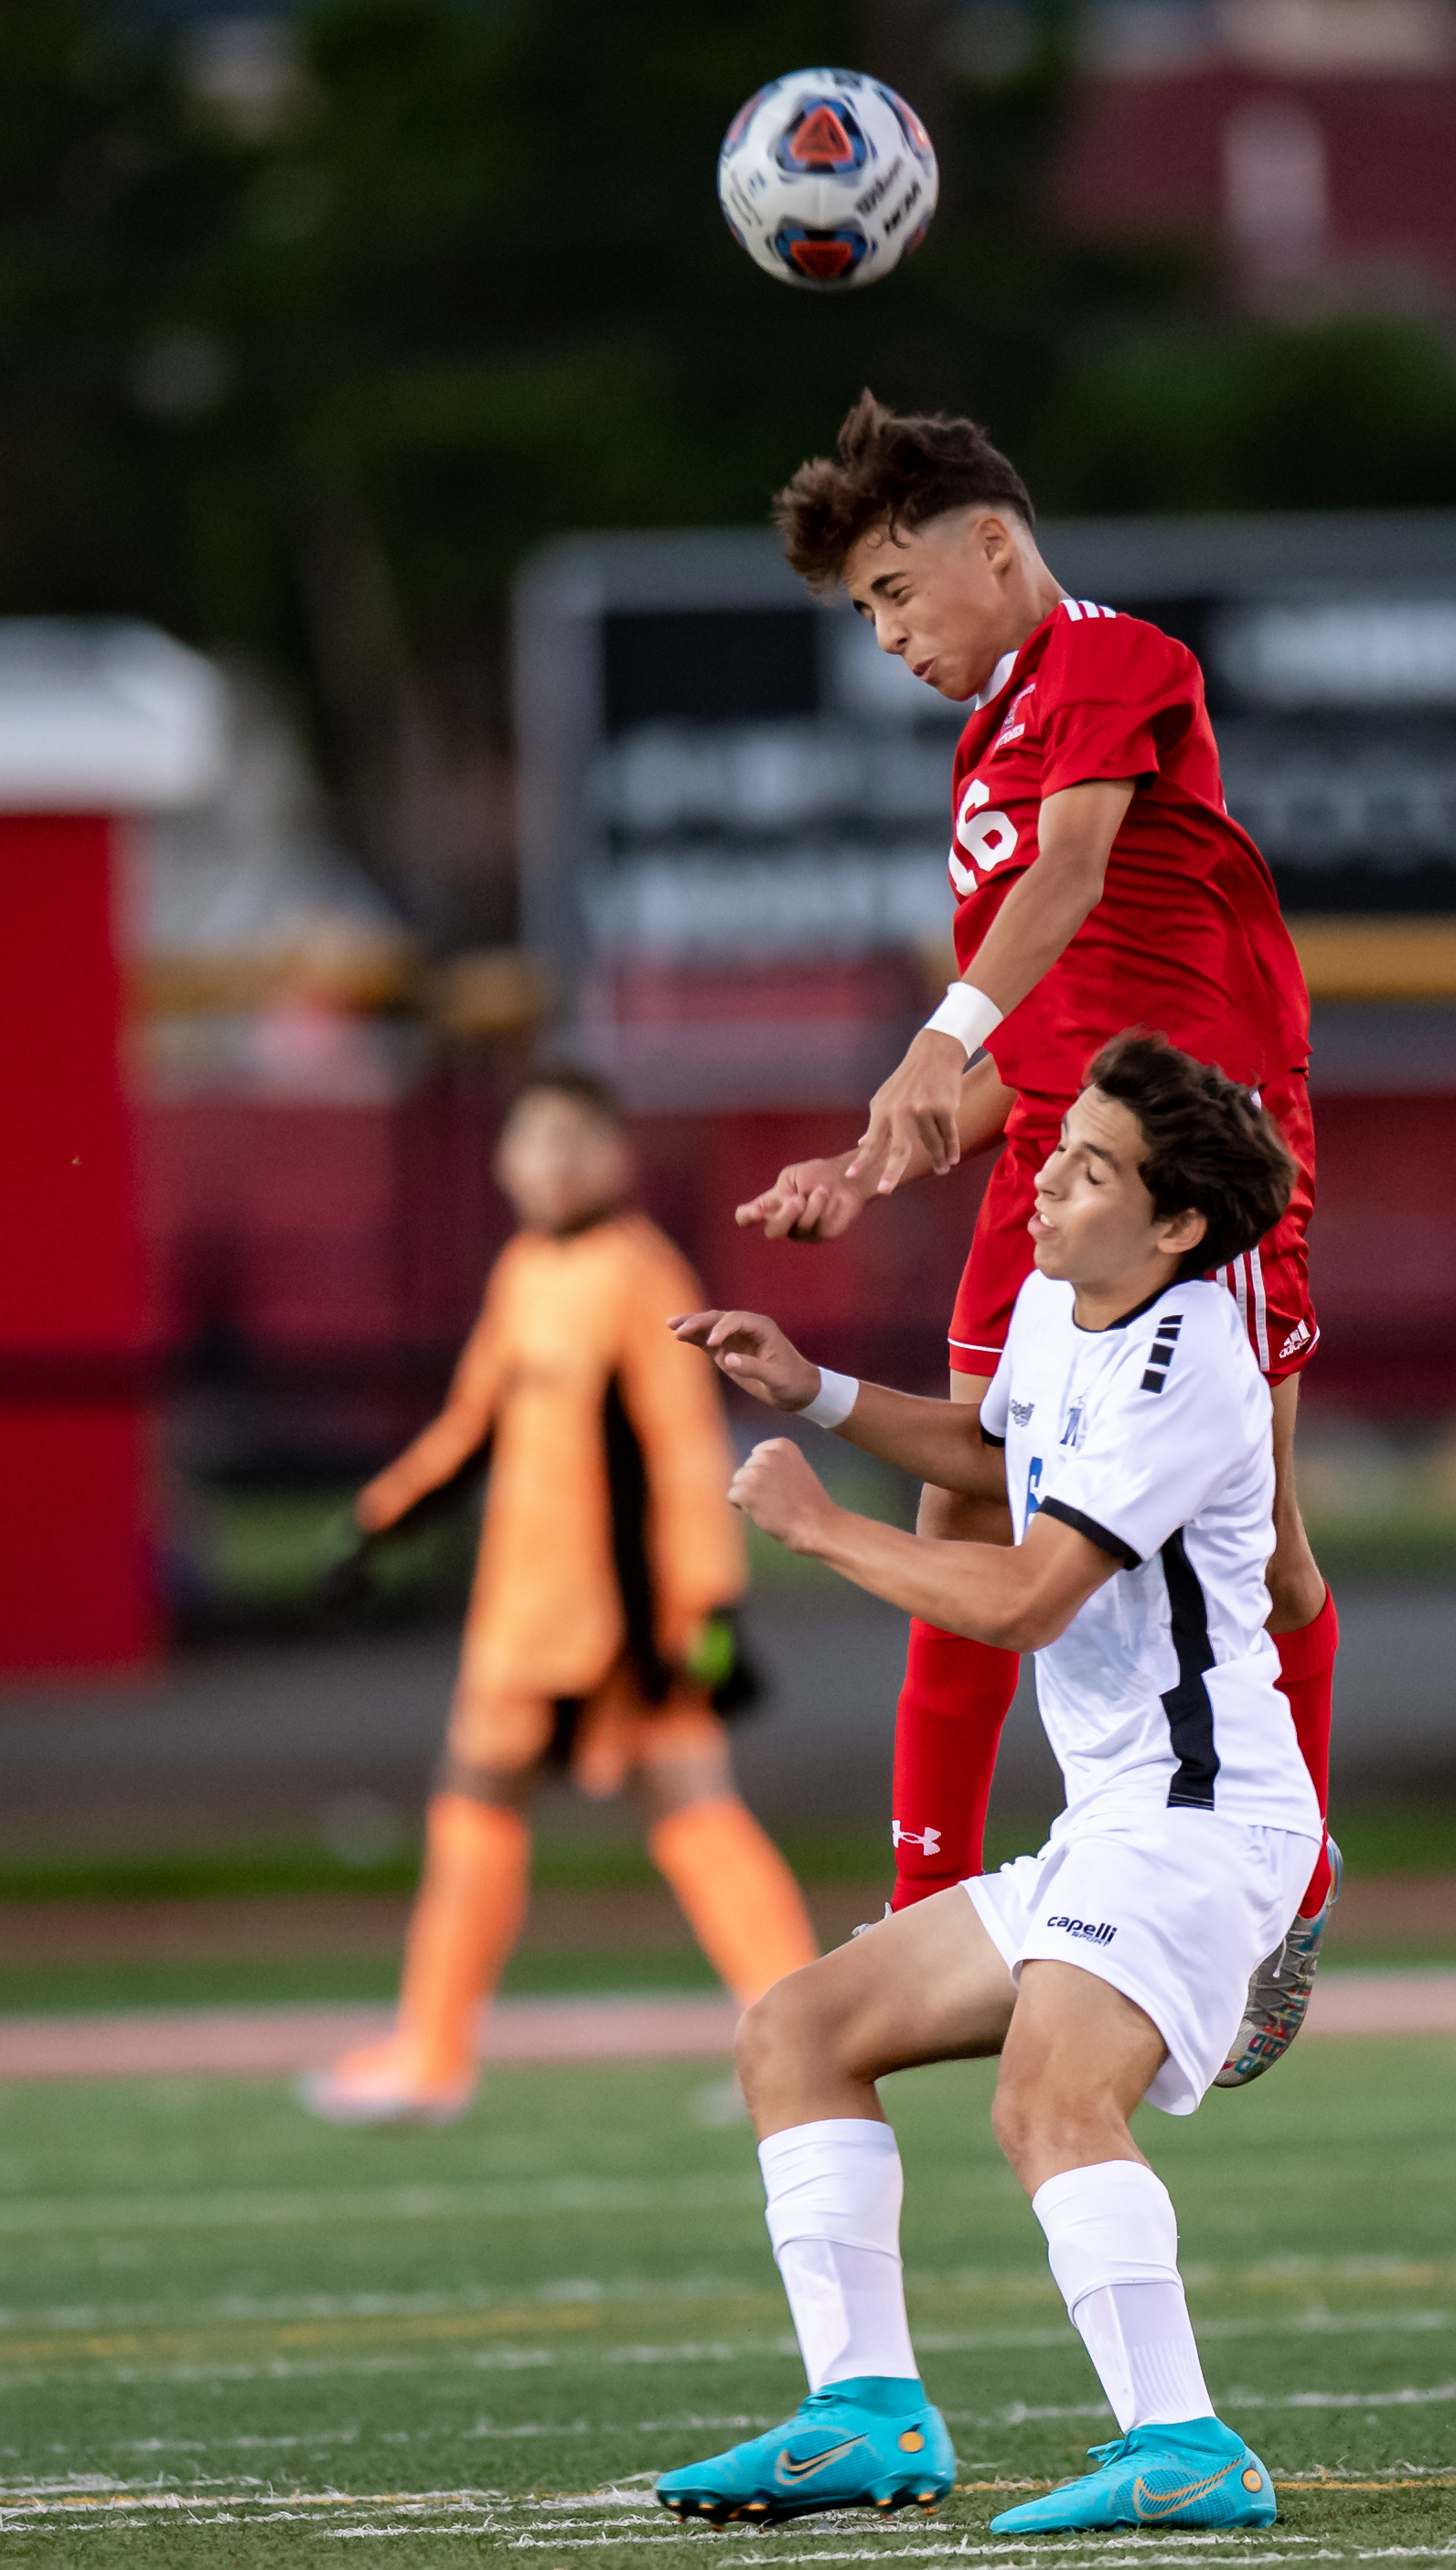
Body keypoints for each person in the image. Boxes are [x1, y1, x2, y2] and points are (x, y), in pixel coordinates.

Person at [739, 393, 1336, 2082]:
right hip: (1066, 1159)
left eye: (892, 591)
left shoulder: (1109, 660)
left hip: (1203, 1161)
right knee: (965, 1484)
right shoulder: (978, 741)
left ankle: (1283, 1892)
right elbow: (1032, 1032)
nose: (889, 634)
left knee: (1270, 1554)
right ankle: (919, 1889)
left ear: (987, 540)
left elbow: (1068, 878)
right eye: (863, 612)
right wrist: (877, 1153)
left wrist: (935, 1041)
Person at [659, 1033, 1320, 2531]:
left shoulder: (1188, 1363)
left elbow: (1028, 1596)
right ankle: (867, 2416)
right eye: (1051, 1150)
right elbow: (992, 1442)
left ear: (1174, 1229)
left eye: (1086, 1169)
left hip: (1206, 1826)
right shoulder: (1059, 1302)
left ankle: (1187, 2446)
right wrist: (814, 1388)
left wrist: (820, 1530)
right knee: (799, 2030)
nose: (1042, 1184)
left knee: (1046, 2103)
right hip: (1117, 1826)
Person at [301, 1069, 819, 2126]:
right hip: (524, 1609)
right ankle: (434, 2050)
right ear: (504, 1160)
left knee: (677, 1804)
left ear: (616, 1156)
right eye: (536, 1140)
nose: (555, 1161)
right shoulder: (525, 1269)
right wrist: (379, 1518)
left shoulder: (640, 1275)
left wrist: (711, 1610)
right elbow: (472, 1423)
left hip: (631, 1617)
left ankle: (797, 2045)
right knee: (506, 1802)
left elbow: (680, 1454)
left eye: (578, 1140)